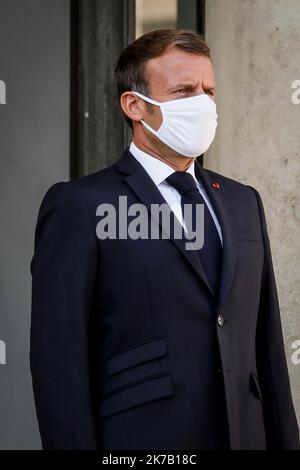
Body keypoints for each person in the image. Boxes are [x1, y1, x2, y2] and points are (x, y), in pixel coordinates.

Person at [30, 29, 299, 450]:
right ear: (135, 105)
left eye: (209, 90)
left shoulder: (244, 202)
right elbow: (58, 364)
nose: (203, 104)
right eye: (184, 90)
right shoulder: (81, 205)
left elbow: (267, 350)